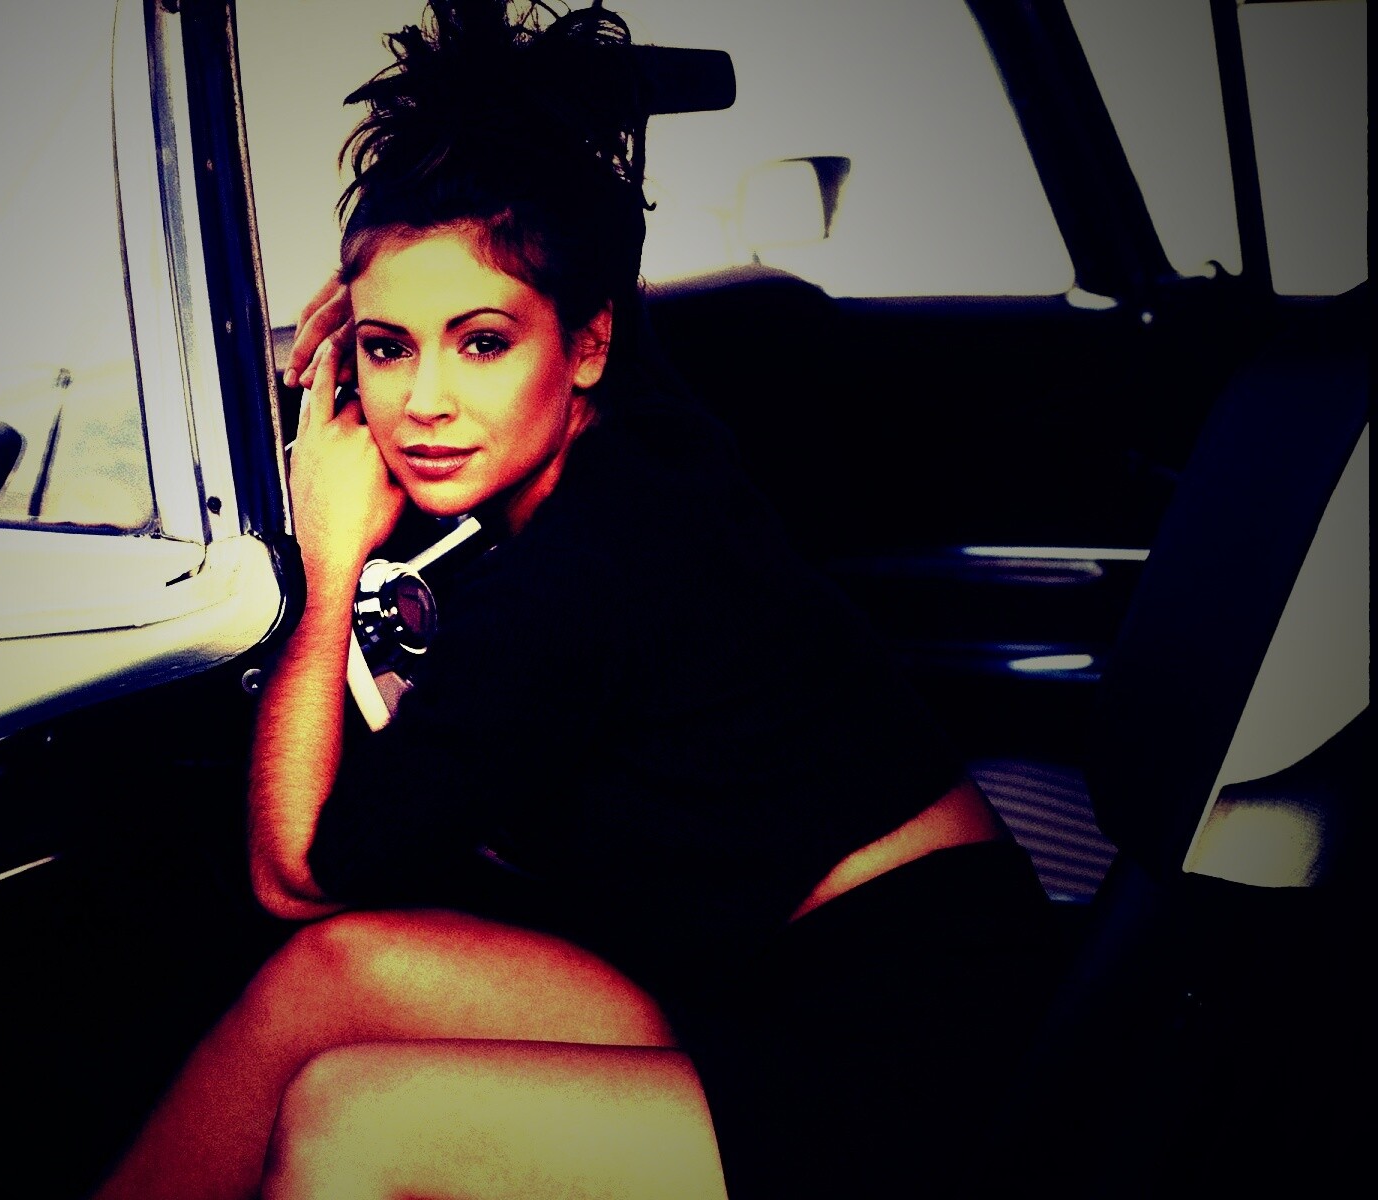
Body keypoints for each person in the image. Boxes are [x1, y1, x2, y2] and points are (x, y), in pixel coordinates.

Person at [96, 2, 1054, 1196]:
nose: (424, 403)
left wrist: (329, 560)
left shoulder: (585, 569)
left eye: (482, 343)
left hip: (905, 1046)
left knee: (353, 1119)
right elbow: (583, 311)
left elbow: (294, 874)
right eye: (388, 348)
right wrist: (426, 297)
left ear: (587, 344)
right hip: (767, 976)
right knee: (337, 977)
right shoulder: (649, 446)